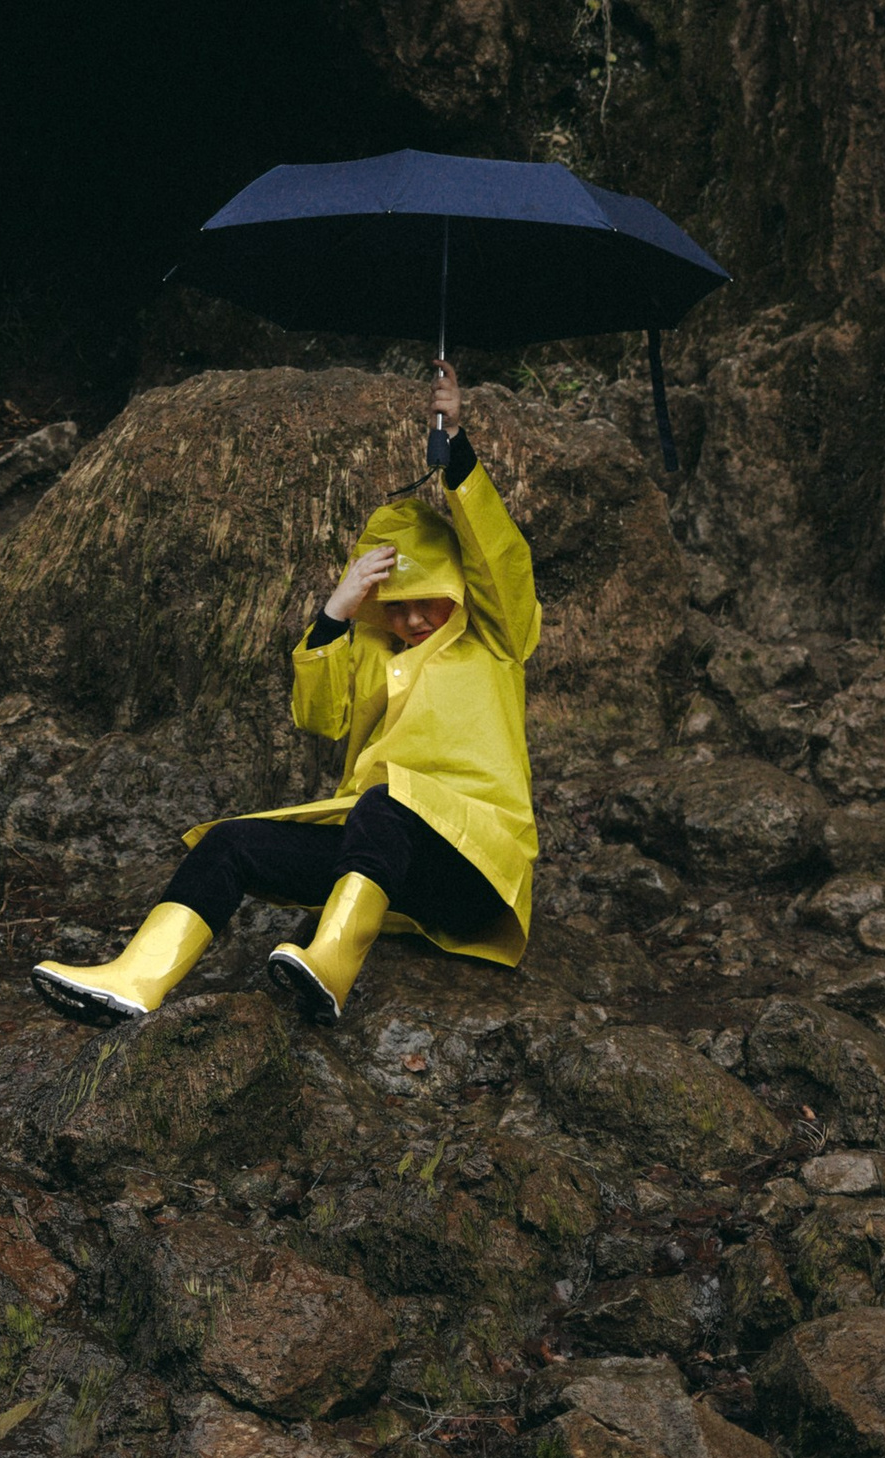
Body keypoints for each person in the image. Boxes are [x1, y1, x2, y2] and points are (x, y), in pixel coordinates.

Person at [29, 363, 539, 1031]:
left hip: (472, 868)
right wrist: (334, 614)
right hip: (388, 865)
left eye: (429, 602)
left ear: (459, 590)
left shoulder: (495, 638)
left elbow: (499, 558)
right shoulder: (370, 654)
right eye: (398, 606)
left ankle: (332, 962)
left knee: (389, 802)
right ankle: (136, 979)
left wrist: (458, 449)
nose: (414, 620)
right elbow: (318, 718)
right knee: (230, 843)